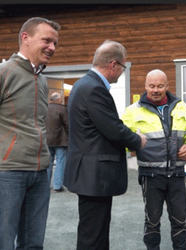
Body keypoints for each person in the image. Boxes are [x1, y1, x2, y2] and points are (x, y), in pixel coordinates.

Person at [0, 17, 60, 250]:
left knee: (34, 244)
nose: (52, 48)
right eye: (47, 40)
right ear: (25, 38)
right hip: (5, 174)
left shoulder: (42, 81)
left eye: (55, 43)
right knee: (3, 243)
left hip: (39, 173)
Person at [63, 40, 147, 250]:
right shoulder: (94, 88)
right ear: (113, 64)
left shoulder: (84, 85)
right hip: (94, 176)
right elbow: (112, 128)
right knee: (93, 236)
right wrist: (138, 140)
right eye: (123, 67)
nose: (121, 72)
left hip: (90, 175)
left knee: (95, 232)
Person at [122, 69, 186, 250]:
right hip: (151, 177)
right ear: (145, 86)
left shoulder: (181, 106)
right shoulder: (132, 111)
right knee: (152, 223)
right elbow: (121, 139)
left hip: (177, 175)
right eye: (151, 86)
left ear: (167, 86)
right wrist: (134, 144)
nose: (155, 90)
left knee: (180, 223)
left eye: (159, 86)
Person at [46, 91, 68, 192]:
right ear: (58, 100)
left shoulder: (44, 108)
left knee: (48, 163)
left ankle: (45, 185)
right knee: (60, 162)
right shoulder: (62, 109)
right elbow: (68, 124)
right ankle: (57, 185)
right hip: (61, 140)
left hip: (47, 140)